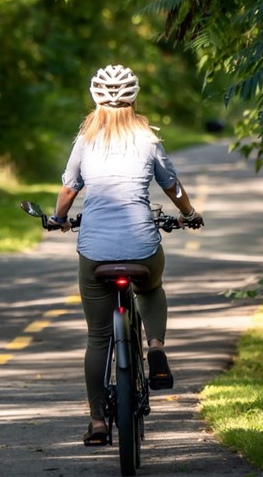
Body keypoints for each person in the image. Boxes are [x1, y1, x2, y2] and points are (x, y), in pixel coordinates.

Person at [47, 64, 204, 446]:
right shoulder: (148, 140)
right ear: (134, 98)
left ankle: (98, 422)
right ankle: (156, 348)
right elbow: (172, 186)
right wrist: (189, 214)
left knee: (99, 337)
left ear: (95, 99)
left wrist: (58, 219)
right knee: (150, 288)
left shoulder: (85, 141)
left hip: (95, 252)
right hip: (141, 246)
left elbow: (68, 190)